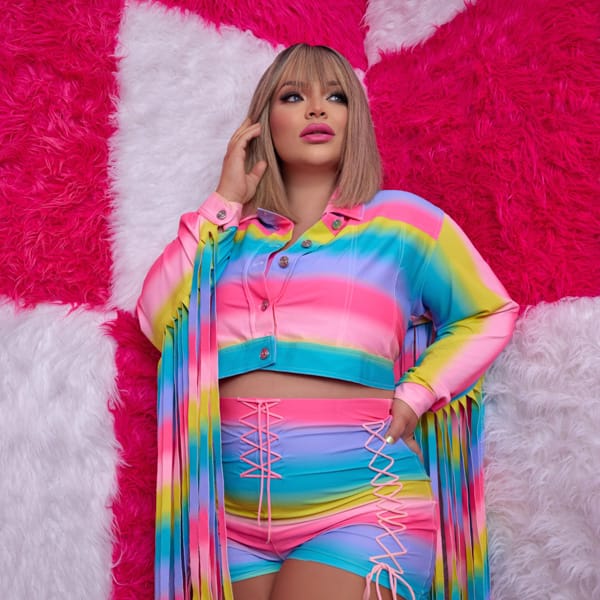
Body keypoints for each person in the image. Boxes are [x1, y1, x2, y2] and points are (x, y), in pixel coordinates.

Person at [137, 44, 518, 600]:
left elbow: (488, 311)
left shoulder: (403, 222)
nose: (317, 108)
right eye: (294, 96)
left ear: (354, 119)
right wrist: (224, 199)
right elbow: (157, 318)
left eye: (335, 97)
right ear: (263, 123)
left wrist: (417, 394)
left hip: (364, 507)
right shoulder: (226, 237)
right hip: (232, 529)